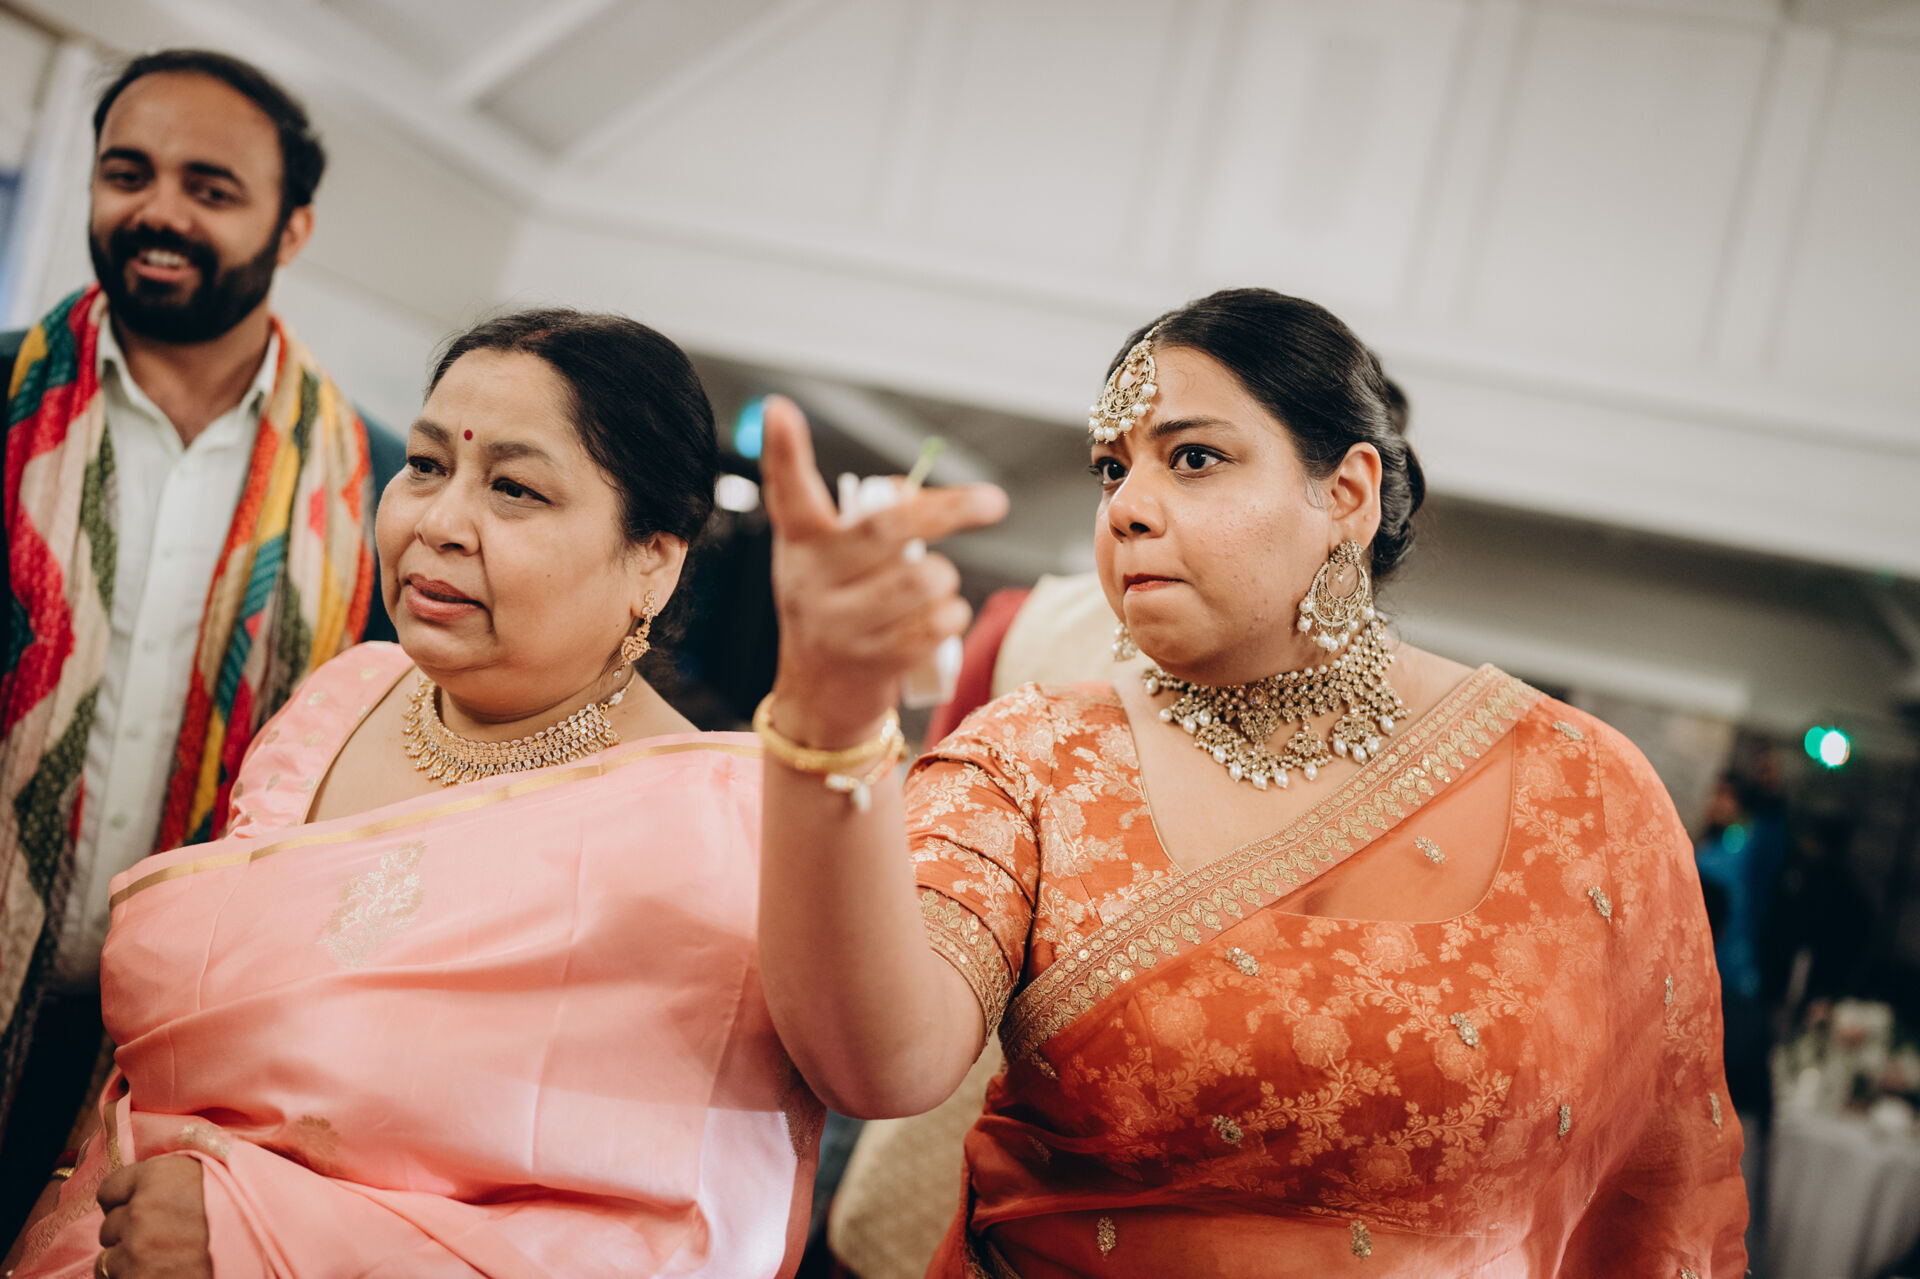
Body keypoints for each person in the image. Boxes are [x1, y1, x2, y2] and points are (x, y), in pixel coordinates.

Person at [757, 288, 1748, 1275]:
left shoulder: (1585, 788)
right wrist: (824, 719)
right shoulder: (1036, 754)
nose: (1126, 508)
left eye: (1193, 458)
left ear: (1346, 494)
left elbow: (1662, 1196)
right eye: (1112, 469)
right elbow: (879, 1063)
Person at [4, 309, 819, 1278]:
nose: (436, 522)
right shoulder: (339, 701)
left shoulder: (713, 830)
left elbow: (671, 1238)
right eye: (428, 465)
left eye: (513, 488)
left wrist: (257, 1230)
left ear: (655, 557)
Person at [0, 48, 406, 1207]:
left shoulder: (381, 482)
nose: (159, 212)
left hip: (182, 1058)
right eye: (127, 174)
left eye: (211, 188)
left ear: (293, 228)